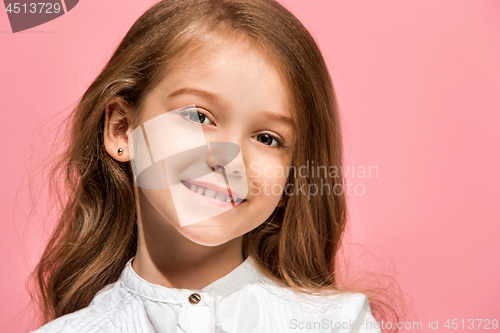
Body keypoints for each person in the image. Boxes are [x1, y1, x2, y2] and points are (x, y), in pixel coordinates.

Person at [29, 0, 391, 332]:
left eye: (267, 138)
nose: (228, 158)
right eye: (199, 116)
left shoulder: (340, 324)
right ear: (122, 129)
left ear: (291, 180)